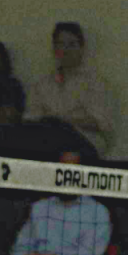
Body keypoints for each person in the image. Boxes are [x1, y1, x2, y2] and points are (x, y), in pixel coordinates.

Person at [23, 23, 114, 158]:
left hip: (84, 142)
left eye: (72, 44)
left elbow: (100, 122)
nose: (66, 50)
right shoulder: (41, 85)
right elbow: (31, 119)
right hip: (47, 142)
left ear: (81, 48)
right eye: (61, 44)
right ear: (54, 49)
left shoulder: (94, 83)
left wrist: (63, 122)